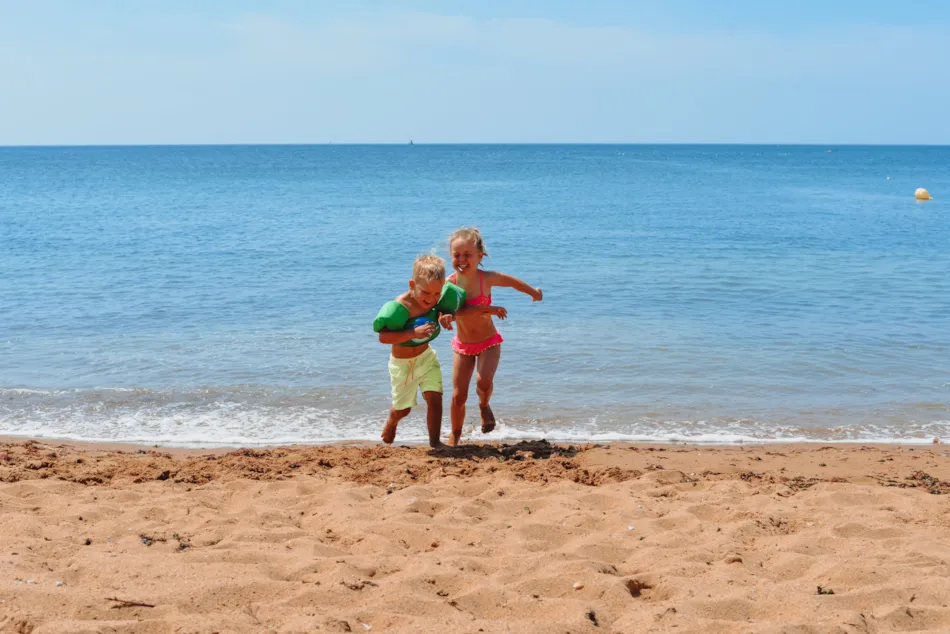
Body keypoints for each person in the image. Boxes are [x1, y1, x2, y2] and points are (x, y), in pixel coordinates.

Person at [442, 228, 542, 446]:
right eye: (457, 255)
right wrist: (443, 317)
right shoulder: (449, 285)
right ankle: (455, 436)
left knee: (483, 382)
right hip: (463, 346)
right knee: (458, 395)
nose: (461, 259)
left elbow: (512, 282)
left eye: (467, 255)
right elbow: (445, 310)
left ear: (480, 256)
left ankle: (484, 404)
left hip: (489, 342)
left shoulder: (485, 279)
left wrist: (533, 292)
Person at [372, 254, 463, 448]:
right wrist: (412, 332)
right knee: (403, 410)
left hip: (426, 357)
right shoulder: (401, 306)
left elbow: (441, 313)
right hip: (403, 366)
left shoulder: (435, 300)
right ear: (412, 284)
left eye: (437, 294)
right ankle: (392, 419)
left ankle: (435, 443)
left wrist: (446, 317)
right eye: (426, 293)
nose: (431, 299)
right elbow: (384, 337)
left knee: (435, 399)